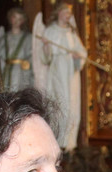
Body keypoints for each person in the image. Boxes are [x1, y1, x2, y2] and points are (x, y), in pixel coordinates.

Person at [33, 2, 87, 149]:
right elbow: (45, 58)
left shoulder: (72, 33)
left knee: (72, 103)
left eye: (70, 13)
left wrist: (78, 56)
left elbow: (82, 52)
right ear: (59, 13)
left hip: (71, 74)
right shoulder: (50, 31)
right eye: (66, 12)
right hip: (58, 71)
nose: (68, 15)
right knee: (60, 102)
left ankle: (70, 143)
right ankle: (59, 141)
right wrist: (46, 46)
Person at [0, 7, 33, 92]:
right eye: (14, 17)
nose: (16, 21)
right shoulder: (4, 38)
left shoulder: (28, 38)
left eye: (20, 19)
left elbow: (32, 56)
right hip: (7, 72)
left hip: (21, 73)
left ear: (23, 21)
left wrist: (27, 66)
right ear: (10, 18)